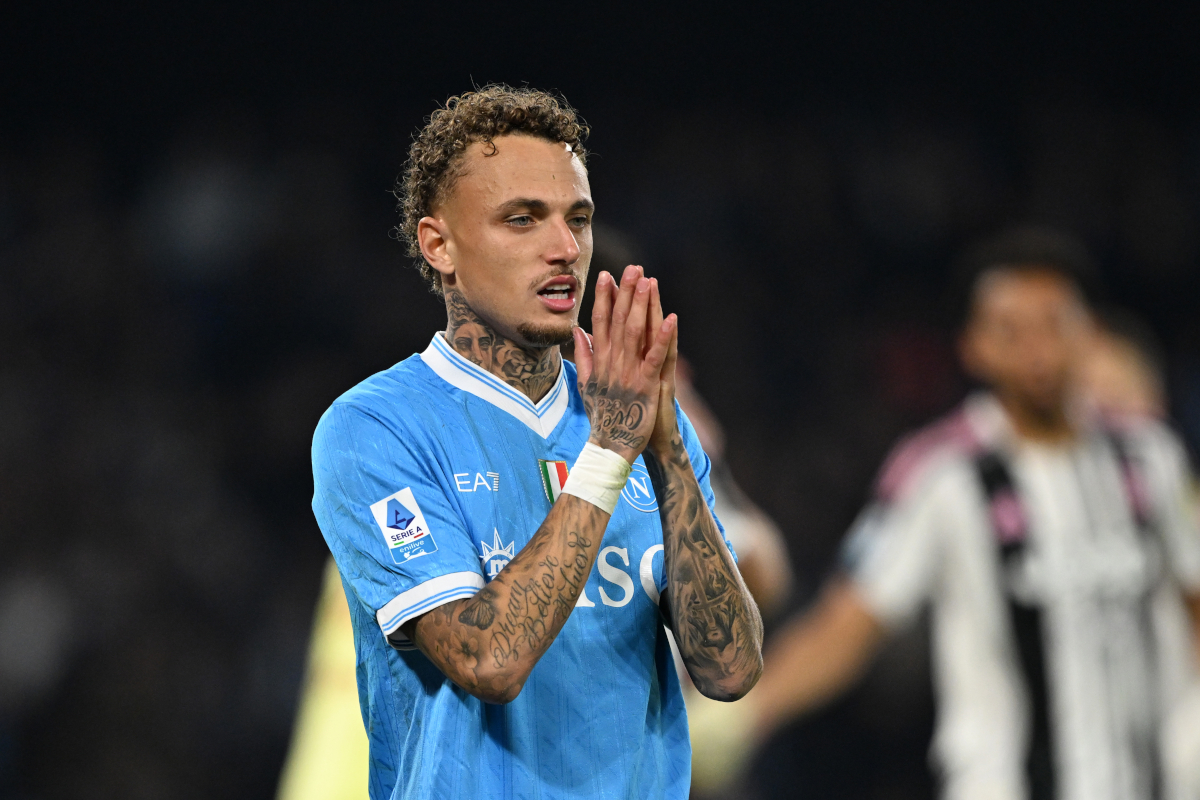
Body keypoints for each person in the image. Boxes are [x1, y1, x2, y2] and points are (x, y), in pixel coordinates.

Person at [309, 86, 762, 800]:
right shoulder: (376, 429)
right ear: (439, 245)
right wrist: (610, 453)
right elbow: (488, 659)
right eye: (522, 220)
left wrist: (669, 453)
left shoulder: (639, 418)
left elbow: (730, 669)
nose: (565, 249)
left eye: (577, 219)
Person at [692, 228, 1200, 800]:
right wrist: (749, 709)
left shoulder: (1150, 458)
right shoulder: (939, 472)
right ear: (974, 346)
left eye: (1054, 324)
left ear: (1088, 333)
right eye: (1011, 330)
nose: (1037, 350)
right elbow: (850, 621)